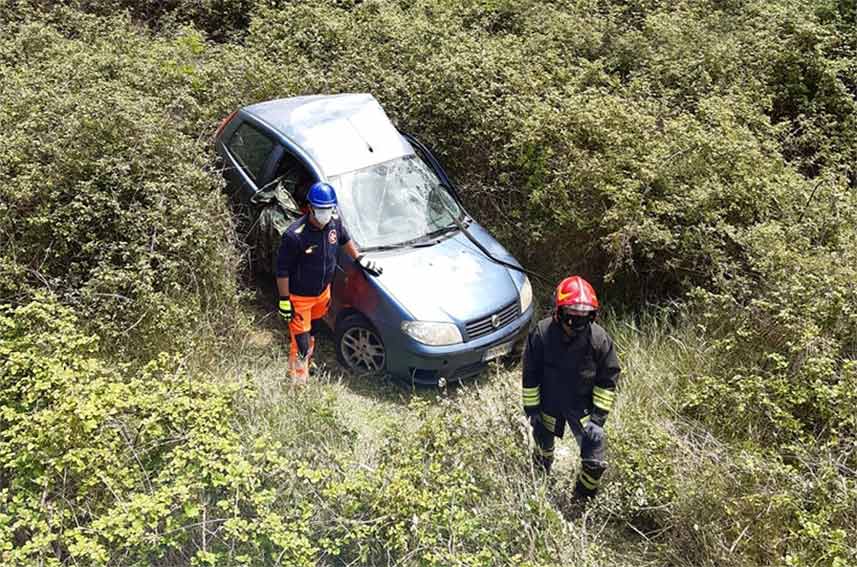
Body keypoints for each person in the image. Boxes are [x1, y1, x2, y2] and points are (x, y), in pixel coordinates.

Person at [522, 275, 621, 498]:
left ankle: (582, 499)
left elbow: (608, 380)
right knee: (542, 446)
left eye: (582, 319)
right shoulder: (541, 334)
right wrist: (532, 410)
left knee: (594, 462)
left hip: (583, 408)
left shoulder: (599, 339)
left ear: (592, 317)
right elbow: (530, 374)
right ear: (559, 312)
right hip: (550, 404)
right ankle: (539, 480)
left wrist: (598, 420)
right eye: (571, 318)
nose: (575, 325)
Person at [276, 181, 383, 384]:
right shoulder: (294, 236)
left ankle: (306, 364)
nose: (326, 213)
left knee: (313, 331)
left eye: (329, 209)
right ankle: (298, 382)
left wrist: (359, 258)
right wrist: (284, 300)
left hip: (322, 294)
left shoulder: (334, 223)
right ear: (310, 208)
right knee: (301, 343)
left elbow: (344, 239)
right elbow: (282, 270)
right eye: (321, 209)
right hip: (299, 298)